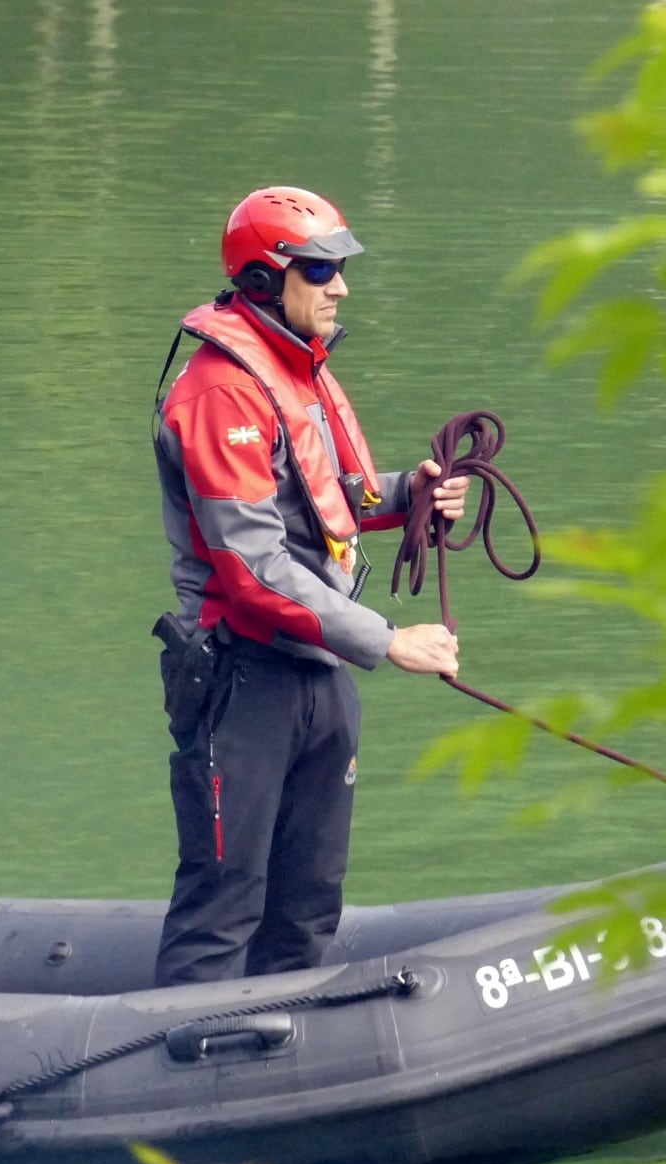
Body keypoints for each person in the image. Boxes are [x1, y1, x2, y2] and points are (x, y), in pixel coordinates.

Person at [151, 186, 468, 986]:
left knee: (308, 909)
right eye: (320, 268)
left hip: (320, 679)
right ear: (263, 282)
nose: (340, 286)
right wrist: (387, 639)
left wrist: (410, 492)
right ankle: (183, 1090)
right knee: (225, 904)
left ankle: (279, 1078)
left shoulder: (301, 373)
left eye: (340, 268)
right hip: (244, 682)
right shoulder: (221, 391)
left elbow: (331, 501)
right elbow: (255, 569)